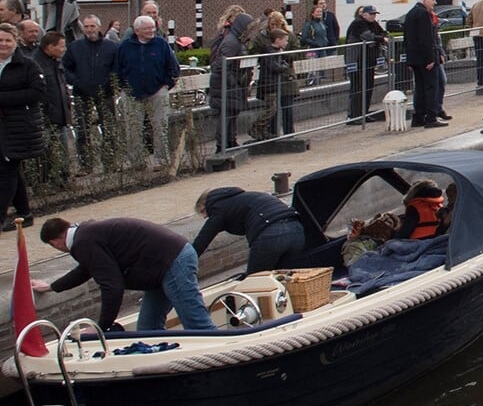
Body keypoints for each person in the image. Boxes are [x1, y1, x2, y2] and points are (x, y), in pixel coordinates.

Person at [32, 215, 213, 332]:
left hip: (172, 261)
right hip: (160, 267)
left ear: (55, 242)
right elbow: (84, 270)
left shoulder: (84, 242)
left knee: (196, 324)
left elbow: (112, 286)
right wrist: (50, 287)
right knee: (148, 329)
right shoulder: (86, 235)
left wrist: (102, 327)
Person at [111, 15, 179, 160]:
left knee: (160, 126)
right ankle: (136, 162)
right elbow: (118, 68)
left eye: (152, 27)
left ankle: (161, 158)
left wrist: (167, 84)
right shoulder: (125, 46)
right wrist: (123, 87)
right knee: (133, 129)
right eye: (147, 28)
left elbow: (172, 66)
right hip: (132, 93)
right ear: (137, 31)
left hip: (157, 90)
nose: (151, 31)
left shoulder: (161, 44)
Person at [192, 187, 306, 272]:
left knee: (255, 280)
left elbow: (203, 239)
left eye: (205, 215)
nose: (206, 218)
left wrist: (186, 259)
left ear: (204, 207)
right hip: (296, 229)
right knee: (287, 279)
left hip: (270, 235)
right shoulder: (243, 197)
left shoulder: (218, 208)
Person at [0, 24, 47, 225]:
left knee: (6, 169)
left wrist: (3, 98)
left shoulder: (28, 65)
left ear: (15, 41)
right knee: (10, 168)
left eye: (7, 40)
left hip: (17, 127)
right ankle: (25, 213)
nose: (3, 44)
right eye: (0, 40)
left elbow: (37, 93)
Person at [64, 14, 117, 167]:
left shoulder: (111, 47)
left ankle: (109, 162)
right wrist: (75, 81)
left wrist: (111, 82)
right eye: (86, 26)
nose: (89, 29)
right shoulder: (75, 47)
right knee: (83, 130)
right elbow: (66, 67)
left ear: (99, 27)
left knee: (109, 128)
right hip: (82, 93)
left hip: (105, 93)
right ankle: (85, 164)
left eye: (92, 26)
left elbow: (117, 67)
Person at [207, 5, 253, 152]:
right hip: (226, 85)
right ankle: (223, 146)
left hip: (231, 83)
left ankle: (230, 141)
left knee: (231, 114)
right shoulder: (231, 42)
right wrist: (234, 82)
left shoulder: (236, 40)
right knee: (226, 115)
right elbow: (222, 65)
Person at [31, 32, 72, 187]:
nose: (64, 49)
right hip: (46, 117)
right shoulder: (35, 63)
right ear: (50, 47)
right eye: (61, 46)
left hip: (60, 115)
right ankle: (43, 183)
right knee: (44, 152)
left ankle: (63, 180)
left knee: (62, 150)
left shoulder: (56, 62)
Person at [403, 0, 446, 129]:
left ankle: (418, 117)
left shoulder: (410, 13)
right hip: (425, 58)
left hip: (414, 58)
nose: (434, 3)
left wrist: (409, 59)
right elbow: (426, 38)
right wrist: (430, 58)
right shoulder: (423, 14)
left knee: (420, 88)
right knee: (431, 87)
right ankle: (431, 118)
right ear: (426, 0)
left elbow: (407, 38)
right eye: (433, 0)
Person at [346, 5, 388, 120]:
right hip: (357, 61)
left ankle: (364, 113)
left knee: (368, 88)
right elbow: (368, 36)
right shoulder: (358, 23)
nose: (373, 16)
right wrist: (380, 39)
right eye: (371, 14)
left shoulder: (373, 23)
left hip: (369, 61)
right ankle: (354, 116)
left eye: (374, 14)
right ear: (364, 14)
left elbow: (383, 32)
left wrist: (381, 37)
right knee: (358, 88)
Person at [253, 27, 296, 139]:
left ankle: (262, 130)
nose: (286, 43)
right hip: (269, 85)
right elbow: (275, 67)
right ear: (277, 40)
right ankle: (257, 126)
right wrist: (284, 66)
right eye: (285, 40)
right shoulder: (270, 53)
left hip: (273, 85)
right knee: (271, 110)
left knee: (273, 109)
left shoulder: (276, 52)